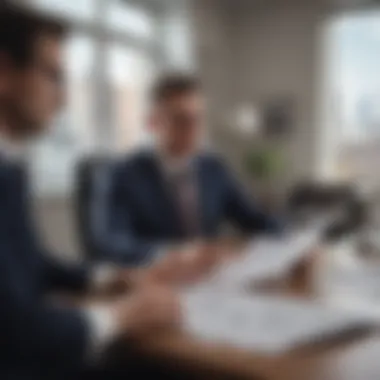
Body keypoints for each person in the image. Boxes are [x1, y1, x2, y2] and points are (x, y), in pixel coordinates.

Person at [0, 5, 182, 379]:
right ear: (3, 73)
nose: (64, 99)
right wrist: (124, 314)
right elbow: (15, 334)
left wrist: (108, 278)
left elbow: (33, 263)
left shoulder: (10, 167)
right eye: (53, 76)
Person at [93, 73, 282, 265]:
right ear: (153, 122)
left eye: (197, 119)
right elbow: (112, 243)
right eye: (181, 120)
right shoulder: (124, 175)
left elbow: (253, 218)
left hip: (211, 279)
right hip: (156, 282)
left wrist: (292, 239)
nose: (193, 129)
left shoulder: (214, 168)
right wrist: (175, 254)